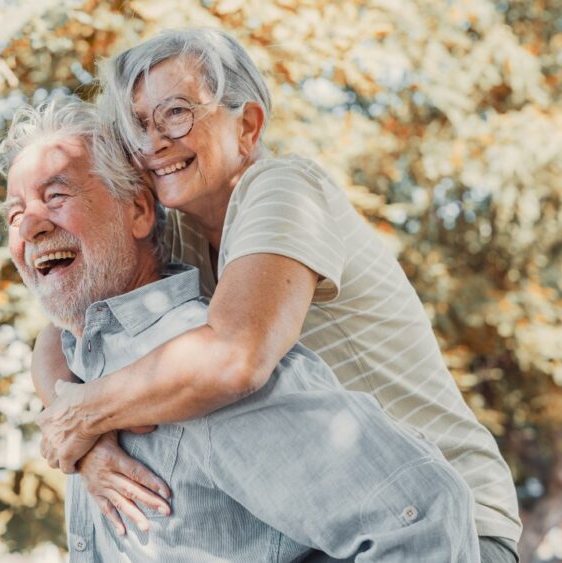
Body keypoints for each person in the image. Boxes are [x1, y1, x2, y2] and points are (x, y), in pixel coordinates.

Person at [31, 28, 521, 562]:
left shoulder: (283, 188)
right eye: (139, 126)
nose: (153, 144)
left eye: (176, 113)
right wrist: (90, 445)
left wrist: (84, 417)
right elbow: (65, 336)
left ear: (248, 125)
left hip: (441, 525)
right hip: (335, 529)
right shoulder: (182, 232)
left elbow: (237, 356)